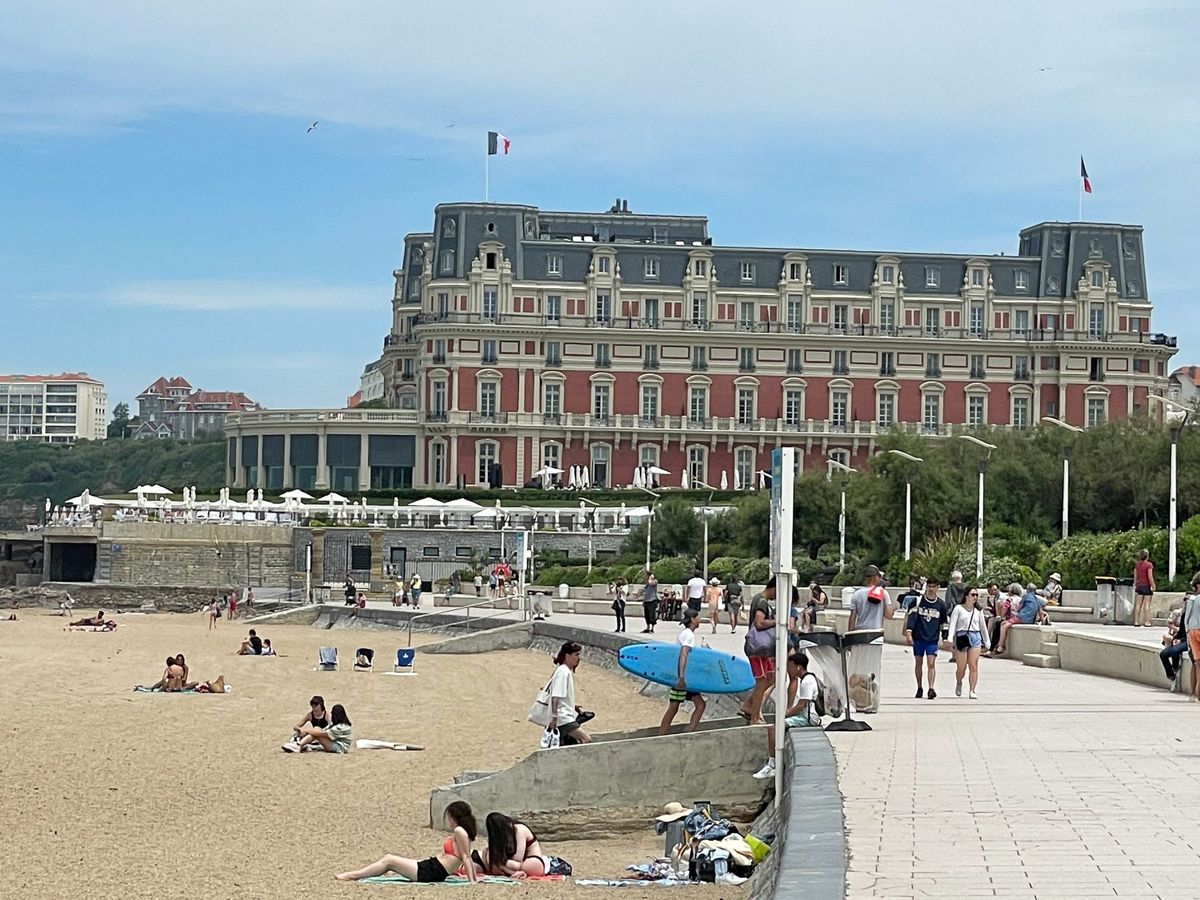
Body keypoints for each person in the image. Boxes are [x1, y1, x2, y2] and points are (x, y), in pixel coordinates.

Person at [336, 800, 479, 883]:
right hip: (432, 867)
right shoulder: (463, 832)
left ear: (454, 816)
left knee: (389, 860)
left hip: (432, 871)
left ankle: (353, 875)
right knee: (391, 861)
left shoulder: (459, 831)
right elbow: (465, 856)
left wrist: (472, 881)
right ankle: (355, 874)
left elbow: (466, 857)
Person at [752, 651, 821, 780]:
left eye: (790, 667)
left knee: (773, 729)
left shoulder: (807, 682)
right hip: (805, 715)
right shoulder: (807, 679)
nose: (789, 670)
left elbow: (801, 705)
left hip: (808, 718)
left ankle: (772, 765)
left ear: (798, 667)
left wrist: (785, 715)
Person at [739, 576, 780, 725]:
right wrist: (778, 622)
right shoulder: (762, 602)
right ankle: (755, 716)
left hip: (760, 649)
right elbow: (760, 622)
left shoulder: (759, 599)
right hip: (758, 648)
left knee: (770, 679)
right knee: (762, 681)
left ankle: (749, 705)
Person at [659, 609, 706, 734]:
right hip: (683, 678)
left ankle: (666, 734)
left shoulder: (685, 633)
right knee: (677, 707)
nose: (699, 620)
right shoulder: (688, 634)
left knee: (678, 707)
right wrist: (681, 677)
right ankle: (683, 734)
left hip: (684, 676)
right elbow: (683, 654)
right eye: (698, 618)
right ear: (692, 619)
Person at [904, 576, 948, 699]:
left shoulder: (941, 605)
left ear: (937, 588)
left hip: (932, 639)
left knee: (931, 663)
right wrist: (909, 633)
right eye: (929, 586)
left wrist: (945, 638)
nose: (931, 589)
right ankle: (919, 687)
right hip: (918, 637)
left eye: (934, 587)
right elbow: (911, 618)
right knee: (918, 662)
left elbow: (944, 623)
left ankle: (931, 688)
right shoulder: (917, 601)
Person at [476, 812, 551, 878]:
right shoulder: (502, 836)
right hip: (514, 864)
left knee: (525, 865)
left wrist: (501, 861)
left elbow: (518, 858)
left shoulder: (520, 830)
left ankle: (514, 872)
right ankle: (515, 872)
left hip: (531, 860)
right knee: (492, 859)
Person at [949, 587, 989, 699]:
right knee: (961, 667)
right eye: (973, 594)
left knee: (974, 665)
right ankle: (959, 681)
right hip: (962, 637)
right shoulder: (958, 609)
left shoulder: (978, 611)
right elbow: (953, 624)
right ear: (966, 596)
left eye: (976, 595)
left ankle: (972, 690)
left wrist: (987, 641)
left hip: (975, 637)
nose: (975, 597)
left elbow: (982, 627)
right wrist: (950, 638)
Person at [283, 703, 352, 753]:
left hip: (339, 748)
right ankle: (300, 744)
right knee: (316, 729)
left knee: (317, 733)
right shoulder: (336, 725)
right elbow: (323, 730)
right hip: (334, 742)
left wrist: (306, 730)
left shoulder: (341, 727)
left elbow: (323, 733)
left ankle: (299, 745)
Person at [1160, 586, 1193, 684]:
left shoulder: (1194, 615)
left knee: (1175, 650)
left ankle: (1175, 667)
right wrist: (1176, 638)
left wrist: (1182, 641)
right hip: (1182, 639)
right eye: (1185, 600)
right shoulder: (1183, 614)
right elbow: (1182, 630)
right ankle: (1170, 674)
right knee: (1163, 654)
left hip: (1190, 640)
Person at [847, 565, 893, 632]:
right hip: (876, 633)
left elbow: (852, 618)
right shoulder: (883, 592)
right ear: (876, 577)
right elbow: (888, 615)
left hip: (860, 632)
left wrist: (850, 634)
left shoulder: (856, 594)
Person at [993, 582, 1027, 655]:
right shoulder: (1021, 599)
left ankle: (998, 645)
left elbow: (1004, 609)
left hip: (1011, 618)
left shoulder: (1009, 599)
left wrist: (1002, 616)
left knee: (998, 624)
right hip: (1020, 617)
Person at [1182, 583, 1200, 702]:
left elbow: (1186, 618)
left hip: (1191, 630)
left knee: (1197, 663)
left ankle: (1194, 694)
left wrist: (1188, 631)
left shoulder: (1192, 599)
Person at [1134, 549, 1156, 627]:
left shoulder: (1137, 565)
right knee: (1146, 605)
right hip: (1146, 586)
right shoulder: (1149, 565)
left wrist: (1135, 584)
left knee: (1138, 605)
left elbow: (1135, 576)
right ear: (1147, 556)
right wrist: (1153, 585)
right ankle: (1147, 621)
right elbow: (1150, 576)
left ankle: (1136, 621)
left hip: (1139, 585)